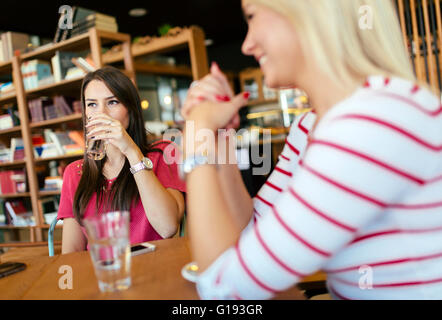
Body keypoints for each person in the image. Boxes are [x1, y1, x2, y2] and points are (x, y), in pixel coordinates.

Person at [181, 0, 442, 299]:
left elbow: (223, 289)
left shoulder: (374, 120)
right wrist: (219, 135)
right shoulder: (310, 125)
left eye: (252, 16)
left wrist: (197, 129)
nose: (247, 45)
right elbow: (252, 228)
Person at [58, 66, 186, 254]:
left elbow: (168, 228)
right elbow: (71, 253)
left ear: (130, 110)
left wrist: (131, 151)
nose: (101, 113)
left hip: (154, 270)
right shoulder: (75, 172)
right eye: (92, 104)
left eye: (112, 102)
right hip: (105, 275)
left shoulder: (161, 155)